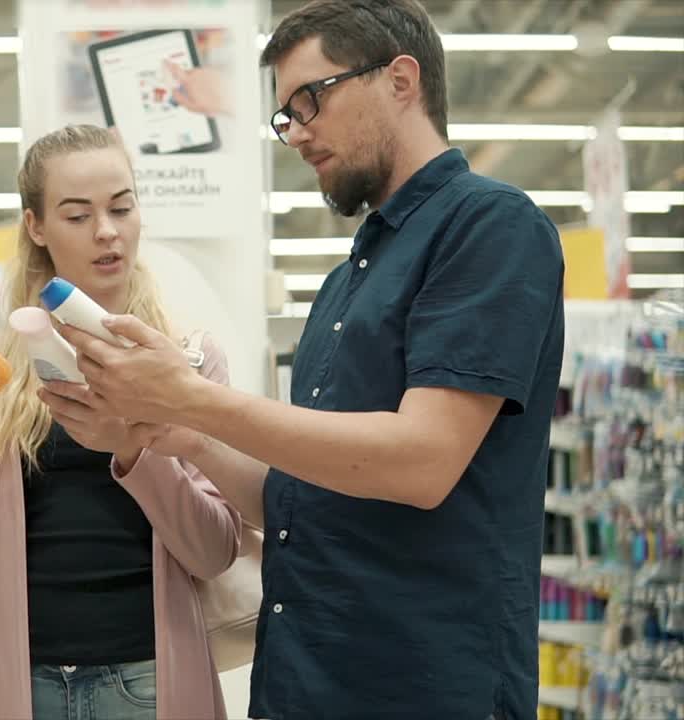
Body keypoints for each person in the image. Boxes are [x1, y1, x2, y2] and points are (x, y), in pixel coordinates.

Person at [46, 1, 566, 719]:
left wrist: (192, 398)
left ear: (401, 80)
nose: (296, 134)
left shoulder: (490, 227)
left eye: (309, 100)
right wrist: (173, 433)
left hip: (425, 684)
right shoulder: (344, 282)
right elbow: (300, 502)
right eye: (284, 116)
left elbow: (423, 460)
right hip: (307, 678)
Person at [0, 124, 242, 720]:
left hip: (149, 684)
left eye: (121, 207)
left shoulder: (187, 361)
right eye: (77, 215)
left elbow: (213, 549)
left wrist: (133, 450)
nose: (107, 232)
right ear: (35, 227)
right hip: (28, 687)